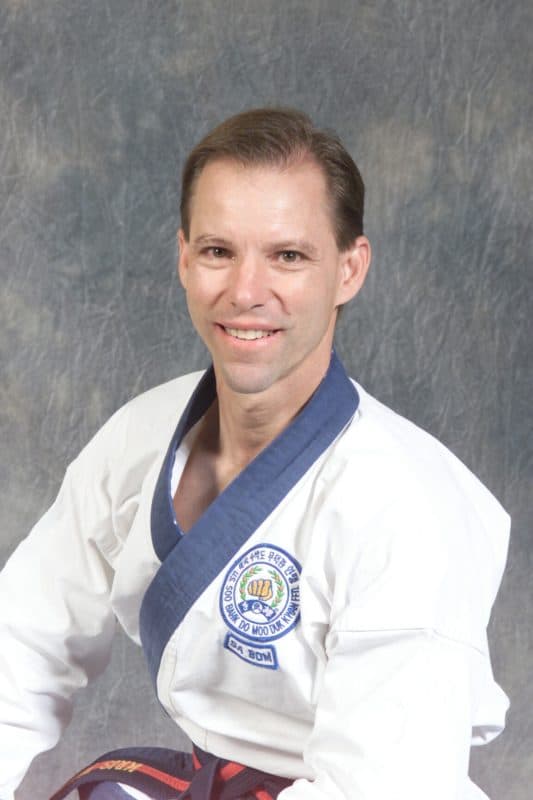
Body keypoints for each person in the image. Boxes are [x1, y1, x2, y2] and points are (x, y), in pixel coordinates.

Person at [0, 108, 510, 800]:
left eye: (287, 256)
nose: (244, 292)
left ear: (349, 270)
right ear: (184, 259)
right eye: (218, 251)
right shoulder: (139, 439)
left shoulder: (407, 506)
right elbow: (20, 646)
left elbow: (382, 785)